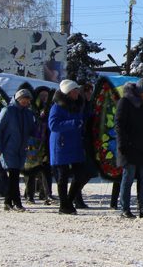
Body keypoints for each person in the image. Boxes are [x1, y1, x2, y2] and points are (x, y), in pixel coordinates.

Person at [116, 77, 143, 218]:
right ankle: (125, 208)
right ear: (140, 91)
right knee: (128, 178)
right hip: (129, 146)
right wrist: (122, 144)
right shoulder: (125, 102)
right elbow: (120, 124)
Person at [0, 89, 36, 212]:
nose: (26, 101)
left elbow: (32, 130)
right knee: (14, 175)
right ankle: (17, 203)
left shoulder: (28, 113)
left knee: (14, 175)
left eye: (28, 99)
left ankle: (7, 202)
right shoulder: (7, 111)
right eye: (24, 99)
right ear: (18, 99)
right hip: (8, 148)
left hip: (21, 149)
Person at [49, 79, 88, 215]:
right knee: (63, 176)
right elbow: (53, 125)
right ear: (68, 92)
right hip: (61, 144)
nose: (77, 92)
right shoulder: (57, 106)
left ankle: (68, 202)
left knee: (80, 174)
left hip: (75, 143)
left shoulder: (78, 105)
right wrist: (73, 123)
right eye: (75, 90)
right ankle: (63, 205)